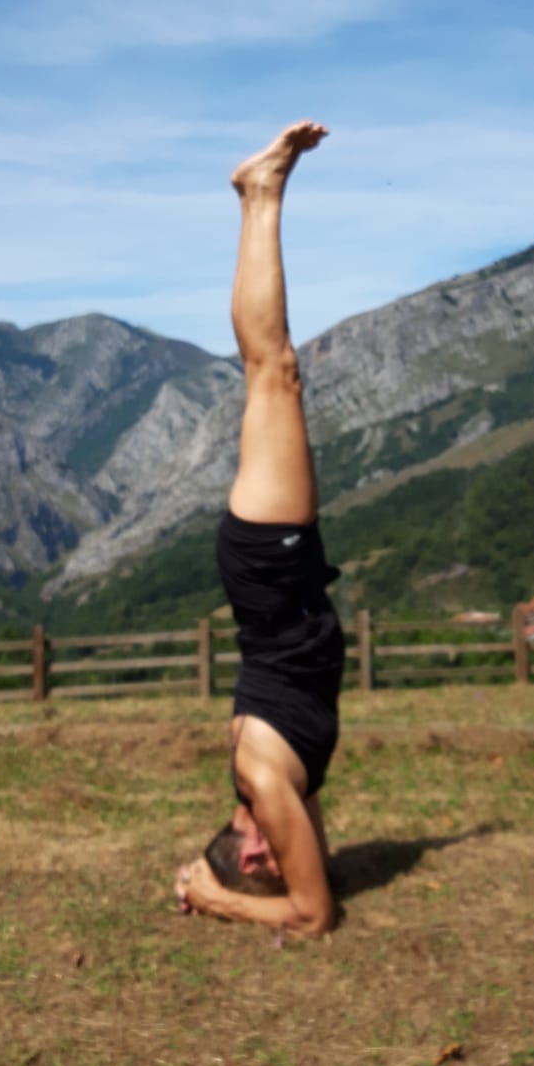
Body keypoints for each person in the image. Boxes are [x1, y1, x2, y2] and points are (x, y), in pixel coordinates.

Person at [174, 122, 344, 937]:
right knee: (273, 375)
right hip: (280, 577)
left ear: (252, 850)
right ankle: (258, 195)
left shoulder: (266, 781)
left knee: (272, 372)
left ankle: (259, 194)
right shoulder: (270, 791)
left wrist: (217, 900)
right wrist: (220, 887)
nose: (296, 847)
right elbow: (313, 900)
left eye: (273, 853)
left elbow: (311, 916)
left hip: (271, 572)